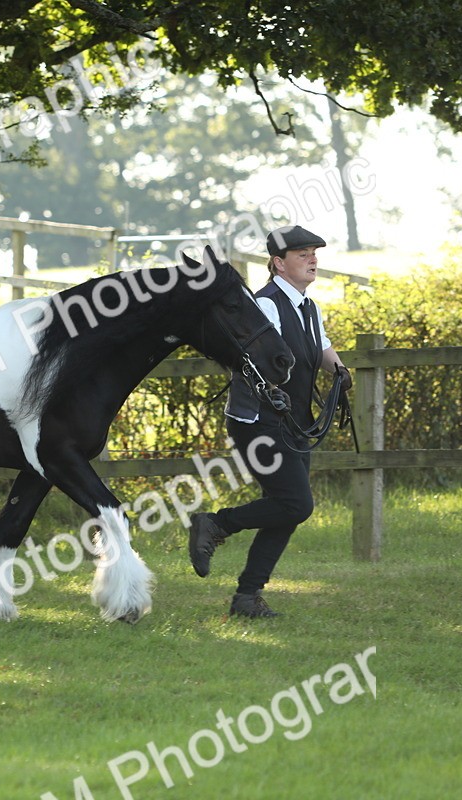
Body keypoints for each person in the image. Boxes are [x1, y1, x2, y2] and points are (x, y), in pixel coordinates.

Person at [188, 225, 351, 618]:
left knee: (285, 508)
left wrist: (340, 370)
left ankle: (247, 598)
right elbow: (262, 362)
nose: (313, 259)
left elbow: (321, 346)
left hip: (294, 423)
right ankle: (215, 523)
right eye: (302, 254)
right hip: (258, 422)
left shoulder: (308, 307)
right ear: (278, 263)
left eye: (314, 252)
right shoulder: (266, 305)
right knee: (296, 504)